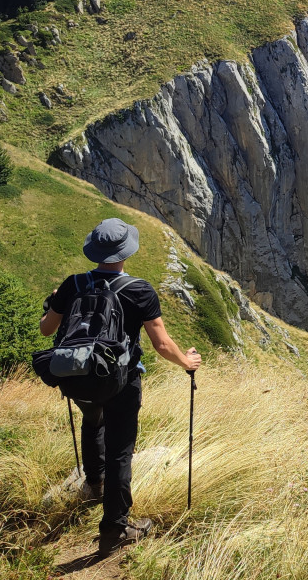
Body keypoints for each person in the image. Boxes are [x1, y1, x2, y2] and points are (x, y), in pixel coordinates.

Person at [39, 217, 202, 555]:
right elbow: (161, 344)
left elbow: (46, 330)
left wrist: (54, 301)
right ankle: (115, 526)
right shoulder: (138, 290)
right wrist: (187, 362)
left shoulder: (73, 284)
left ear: (95, 250)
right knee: (120, 449)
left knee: (92, 420)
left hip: (77, 377)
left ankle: (94, 483)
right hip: (120, 381)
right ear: (127, 251)